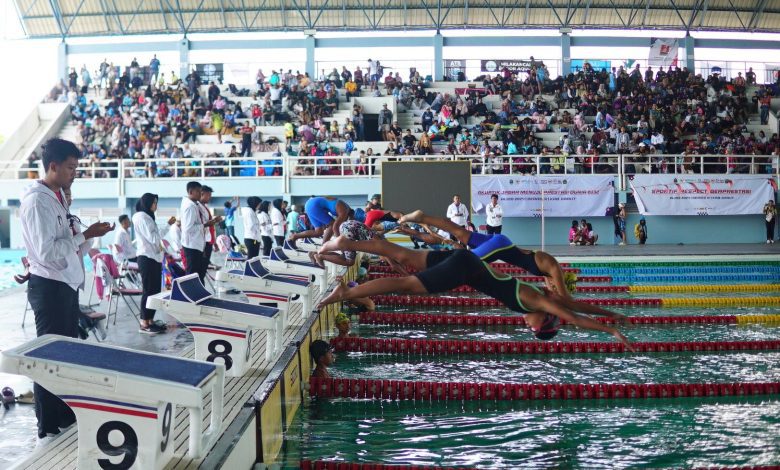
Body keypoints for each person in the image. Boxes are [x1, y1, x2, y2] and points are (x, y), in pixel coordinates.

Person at [317, 238, 632, 348]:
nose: (529, 328)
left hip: (467, 261)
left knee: (401, 254)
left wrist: (611, 315)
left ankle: (346, 243)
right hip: (465, 269)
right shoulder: (537, 301)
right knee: (407, 284)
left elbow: (575, 306)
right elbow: (573, 317)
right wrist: (609, 331)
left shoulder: (542, 298)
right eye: (535, 330)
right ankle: (346, 292)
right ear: (546, 320)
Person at [19, 138, 114, 444]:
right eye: (71, 168)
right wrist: (84, 235)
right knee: (50, 356)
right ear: (53, 166)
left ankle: (63, 414)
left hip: (65, 284)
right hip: (50, 288)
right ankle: (47, 424)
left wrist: (90, 236)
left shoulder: (58, 197)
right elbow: (46, 252)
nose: (75, 173)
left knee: (66, 354)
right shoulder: (38, 201)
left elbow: (69, 248)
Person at [133, 193, 176, 334]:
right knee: (148, 290)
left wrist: (167, 226)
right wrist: (167, 226)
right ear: (147, 203)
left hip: (154, 257)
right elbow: (154, 238)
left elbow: (155, 237)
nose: (156, 205)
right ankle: (144, 323)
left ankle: (150, 320)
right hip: (147, 257)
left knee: (155, 290)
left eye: (156, 203)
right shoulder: (141, 217)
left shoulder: (148, 217)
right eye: (154, 203)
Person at [180, 182, 220, 282]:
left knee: (198, 273)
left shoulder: (194, 205)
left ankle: (198, 290)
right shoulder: (190, 207)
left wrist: (209, 223)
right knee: (192, 274)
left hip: (197, 244)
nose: (200, 194)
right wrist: (205, 225)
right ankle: (190, 292)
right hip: (192, 245)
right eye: (198, 192)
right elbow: (188, 229)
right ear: (190, 192)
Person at [199, 186, 219, 278]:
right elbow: (202, 225)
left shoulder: (205, 207)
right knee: (201, 268)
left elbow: (209, 225)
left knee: (204, 266)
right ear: (201, 194)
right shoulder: (197, 207)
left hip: (209, 240)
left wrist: (214, 241)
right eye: (208, 195)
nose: (210, 198)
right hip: (203, 242)